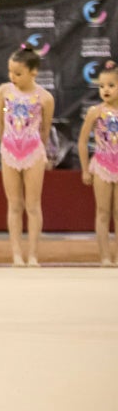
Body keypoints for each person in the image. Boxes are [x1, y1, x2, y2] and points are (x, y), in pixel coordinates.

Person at [0, 44, 55, 267]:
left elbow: (45, 130)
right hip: (10, 150)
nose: (13, 77)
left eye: (18, 73)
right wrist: (6, 145)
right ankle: (16, 254)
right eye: (10, 72)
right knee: (14, 204)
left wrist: (42, 153)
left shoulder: (45, 97)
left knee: (32, 205)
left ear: (34, 72)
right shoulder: (4, 91)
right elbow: (1, 124)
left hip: (34, 152)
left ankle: (32, 254)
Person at [77, 60, 118, 267]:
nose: (105, 90)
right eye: (102, 86)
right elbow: (83, 141)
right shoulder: (95, 111)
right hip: (102, 164)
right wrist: (85, 168)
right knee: (103, 212)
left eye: (111, 85)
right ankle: (104, 256)